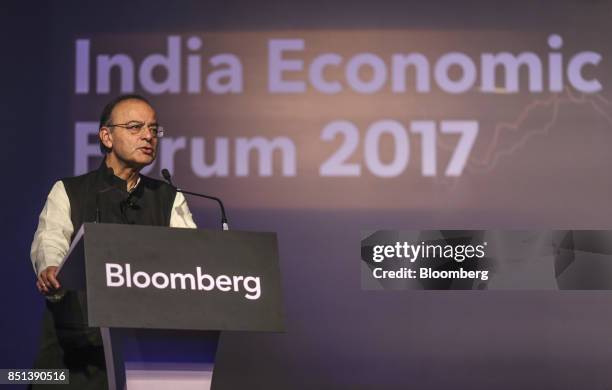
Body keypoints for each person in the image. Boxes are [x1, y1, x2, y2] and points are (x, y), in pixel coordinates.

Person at [29, 94, 196, 389]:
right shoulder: (70, 190)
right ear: (106, 136)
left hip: (145, 355)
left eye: (154, 129)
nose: (148, 136)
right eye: (135, 127)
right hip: (74, 357)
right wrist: (51, 268)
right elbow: (50, 240)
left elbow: (193, 261)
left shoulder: (170, 197)